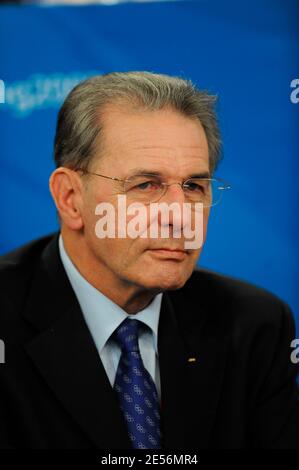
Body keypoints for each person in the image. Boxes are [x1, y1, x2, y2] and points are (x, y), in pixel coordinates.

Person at [0, 71, 298, 449]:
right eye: (146, 185)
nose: (180, 216)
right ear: (70, 198)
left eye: (193, 186)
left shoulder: (255, 326)